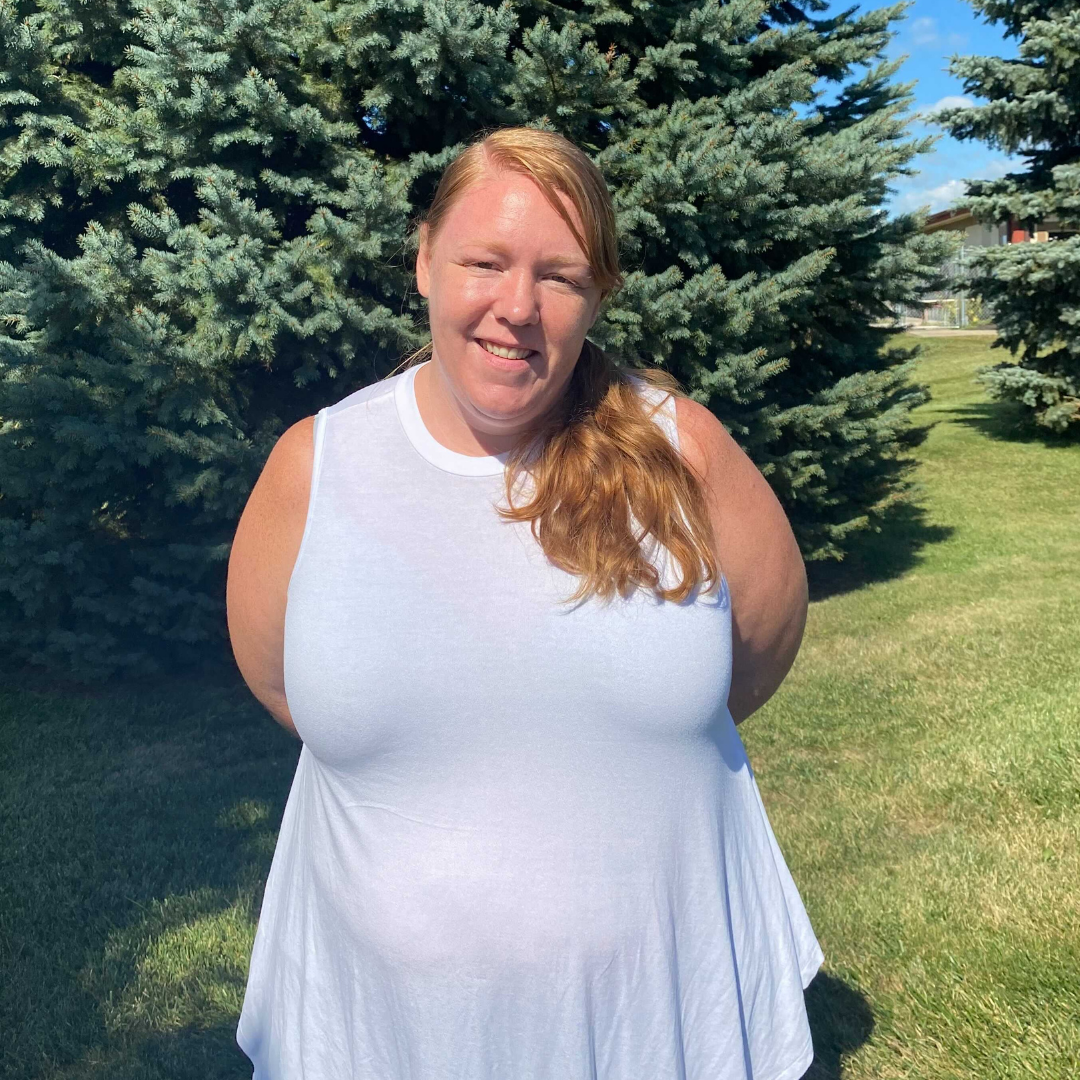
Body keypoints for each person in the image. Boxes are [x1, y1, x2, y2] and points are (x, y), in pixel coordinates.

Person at [226, 125, 823, 1080]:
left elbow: (761, 643)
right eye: (484, 262)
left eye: (560, 276)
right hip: (381, 1027)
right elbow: (278, 680)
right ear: (424, 260)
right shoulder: (317, 462)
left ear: (598, 295)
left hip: (654, 1012)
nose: (517, 307)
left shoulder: (684, 451)